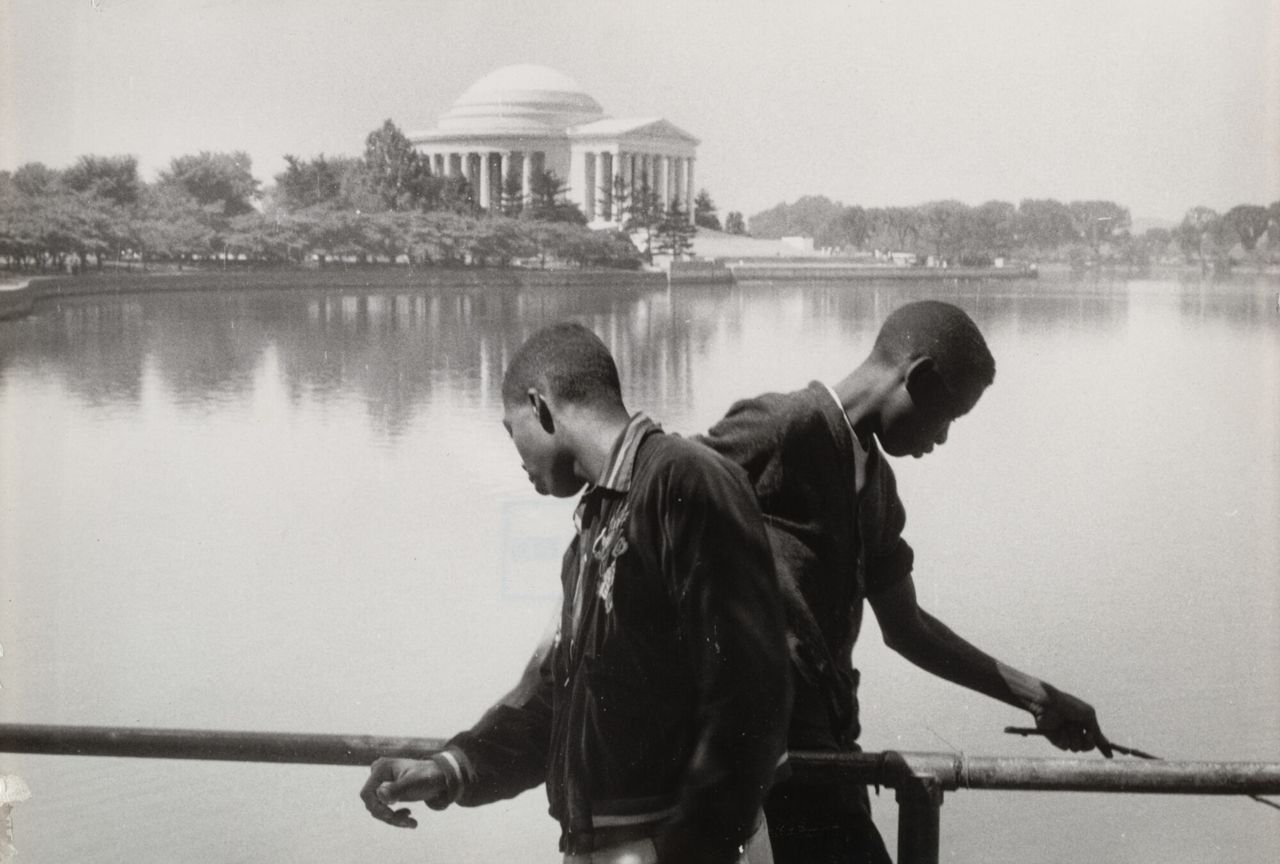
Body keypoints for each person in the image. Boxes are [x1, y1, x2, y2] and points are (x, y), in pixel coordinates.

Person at [359, 322, 791, 864]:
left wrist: (687, 847)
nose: (517, 459)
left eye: (509, 430)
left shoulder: (684, 480)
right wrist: (450, 768)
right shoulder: (596, 525)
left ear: (540, 407)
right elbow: (558, 701)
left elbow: (754, 697)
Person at [697, 299, 1112, 863]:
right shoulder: (784, 426)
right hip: (760, 766)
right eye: (947, 417)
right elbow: (657, 497)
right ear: (915, 377)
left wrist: (1036, 696)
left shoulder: (878, 491)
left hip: (829, 759)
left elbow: (906, 627)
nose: (940, 440)